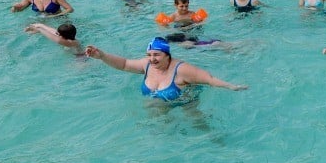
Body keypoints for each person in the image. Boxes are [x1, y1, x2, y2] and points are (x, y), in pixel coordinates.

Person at [85, 37, 246, 101]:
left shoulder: (182, 69)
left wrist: (232, 86)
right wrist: (102, 56)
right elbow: (125, 64)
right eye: (149, 54)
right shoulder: (147, 65)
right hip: (159, 112)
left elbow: (209, 79)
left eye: (156, 54)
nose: (152, 59)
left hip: (185, 105)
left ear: (167, 54)